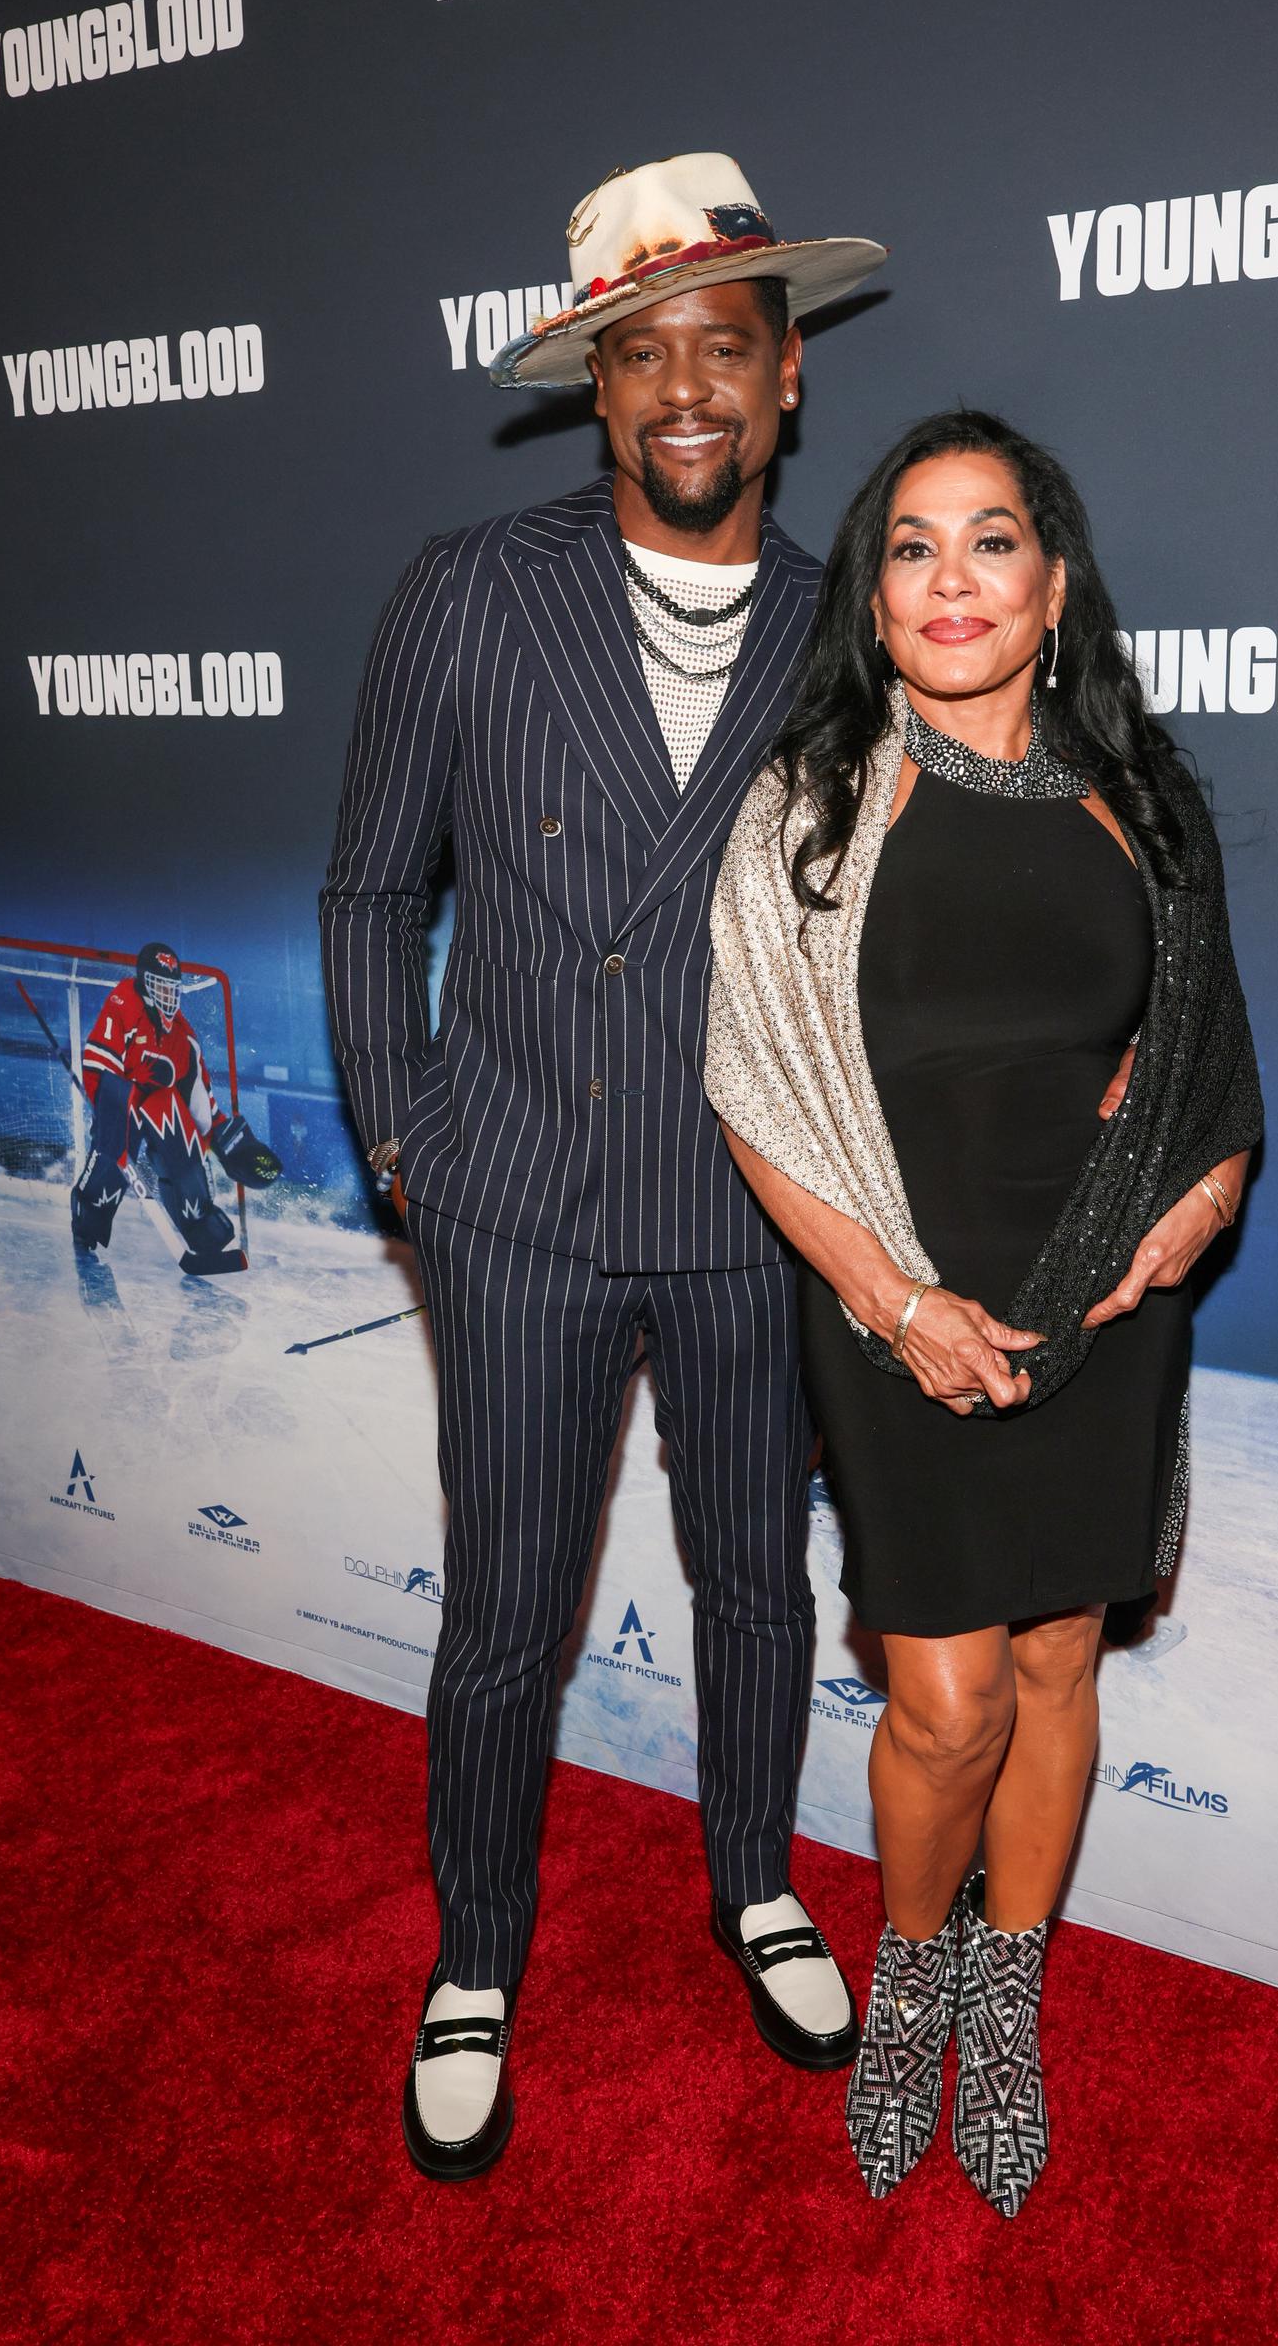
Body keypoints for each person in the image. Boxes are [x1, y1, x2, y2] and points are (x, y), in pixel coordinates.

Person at [320, 154, 888, 2181]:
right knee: (503, 1615)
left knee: (754, 1589)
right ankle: (476, 1953)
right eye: (635, 352)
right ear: (592, 385)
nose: (682, 390)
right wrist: (408, 1142)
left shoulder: (849, 634)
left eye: (718, 346)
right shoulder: (469, 594)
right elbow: (376, 888)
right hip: (524, 1221)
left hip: (751, 1224)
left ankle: (755, 1883)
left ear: (787, 372)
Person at [705, 410, 1264, 2216]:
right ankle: (914, 1975)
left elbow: (1213, 1069)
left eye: (993, 541)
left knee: (1057, 1663)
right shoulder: (805, 810)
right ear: (873, 600)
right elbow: (752, 1087)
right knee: (944, 1699)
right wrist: (890, 1297)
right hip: (894, 1288)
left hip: (1102, 1291)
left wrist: (1198, 1198)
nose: (955, 579)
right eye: (914, 547)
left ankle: (1007, 1995)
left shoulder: (1147, 802)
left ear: (1054, 583)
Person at [72, 941, 280, 1276]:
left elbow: (201, 1101)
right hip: (120, 1097)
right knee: (113, 1153)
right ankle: (88, 1219)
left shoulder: (183, 1038)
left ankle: (198, 1223)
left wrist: (226, 1142)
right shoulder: (124, 1000)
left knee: (176, 1124)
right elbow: (99, 1062)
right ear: (144, 984)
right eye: (160, 988)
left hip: (152, 1105)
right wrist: (112, 1101)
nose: (168, 997)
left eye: (173, 989)